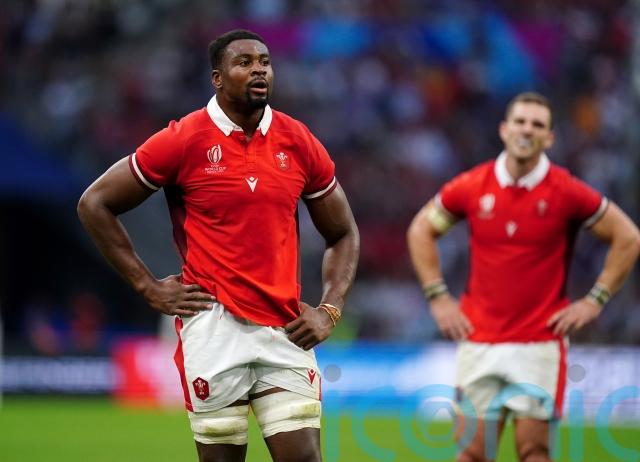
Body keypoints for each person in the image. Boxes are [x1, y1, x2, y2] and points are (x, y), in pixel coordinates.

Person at [77, 29, 359, 462]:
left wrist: (330, 309)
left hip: (285, 329)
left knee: (305, 457)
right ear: (217, 78)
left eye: (264, 62)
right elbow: (95, 203)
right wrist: (147, 286)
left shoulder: (298, 140)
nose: (259, 70)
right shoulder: (183, 138)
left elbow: (343, 232)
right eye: (244, 62)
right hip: (212, 327)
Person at [407, 92, 640, 462]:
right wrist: (438, 297)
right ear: (504, 129)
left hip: (539, 343)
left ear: (550, 137)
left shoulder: (566, 191)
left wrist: (595, 300)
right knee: (471, 454)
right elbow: (421, 229)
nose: (527, 130)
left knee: (533, 452)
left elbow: (627, 237)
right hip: (479, 338)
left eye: (537, 124)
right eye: (520, 121)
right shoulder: (473, 185)